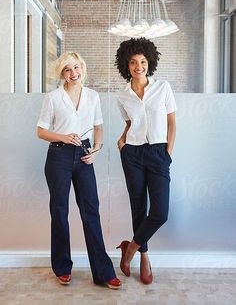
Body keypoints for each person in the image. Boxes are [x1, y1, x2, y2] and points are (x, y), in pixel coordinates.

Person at [37, 51, 121, 289]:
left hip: (84, 155)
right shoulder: (53, 97)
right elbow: (41, 131)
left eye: (76, 68)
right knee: (60, 211)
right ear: (62, 73)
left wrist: (96, 149)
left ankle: (103, 272)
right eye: (67, 70)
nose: (73, 73)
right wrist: (63, 136)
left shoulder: (93, 96)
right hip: (59, 156)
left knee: (91, 212)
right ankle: (62, 268)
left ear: (82, 68)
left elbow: (98, 127)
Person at [115, 38, 177, 285]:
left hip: (159, 153)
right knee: (138, 207)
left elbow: (172, 123)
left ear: (149, 62)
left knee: (160, 212)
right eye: (133, 62)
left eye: (142, 61)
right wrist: (121, 142)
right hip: (133, 154)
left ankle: (130, 249)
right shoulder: (123, 95)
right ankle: (144, 257)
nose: (138, 66)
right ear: (126, 65)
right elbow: (129, 123)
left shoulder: (163, 87)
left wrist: (168, 153)